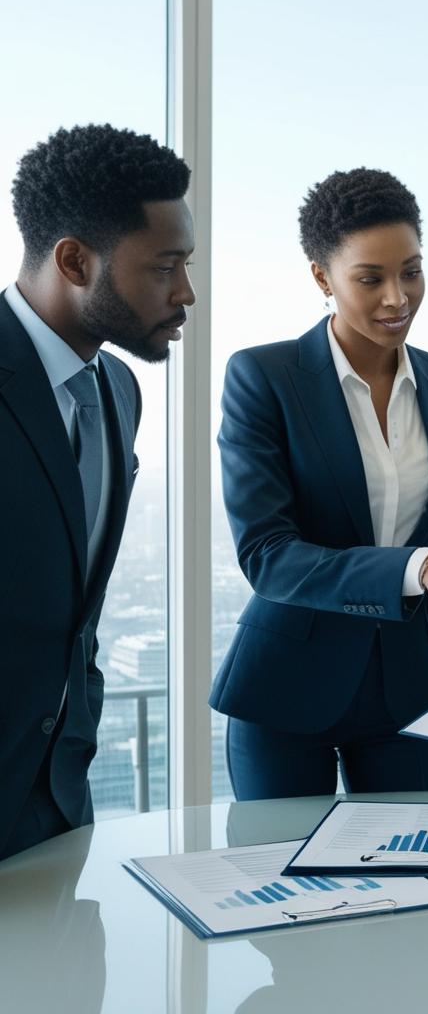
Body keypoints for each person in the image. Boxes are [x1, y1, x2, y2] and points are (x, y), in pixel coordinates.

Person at [211, 167, 428, 799]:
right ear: (321, 277)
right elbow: (268, 556)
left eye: (412, 272)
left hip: (409, 690)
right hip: (286, 689)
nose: (398, 298)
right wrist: (418, 568)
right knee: (287, 892)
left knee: (422, 883)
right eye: (371, 278)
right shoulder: (264, 377)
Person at [0, 124, 194, 860]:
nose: (186, 292)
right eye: (165, 267)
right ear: (75, 261)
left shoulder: (117, 389)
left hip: (59, 804)